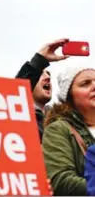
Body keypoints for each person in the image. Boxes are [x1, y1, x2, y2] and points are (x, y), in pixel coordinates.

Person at [42, 65, 95, 195]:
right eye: (85, 84)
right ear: (69, 96)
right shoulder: (58, 129)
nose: (94, 86)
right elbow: (61, 181)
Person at [16, 39, 69, 141]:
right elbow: (14, 93)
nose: (47, 78)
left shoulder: (63, 120)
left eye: (49, 74)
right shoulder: (18, 116)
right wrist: (39, 60)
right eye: (40, 74)